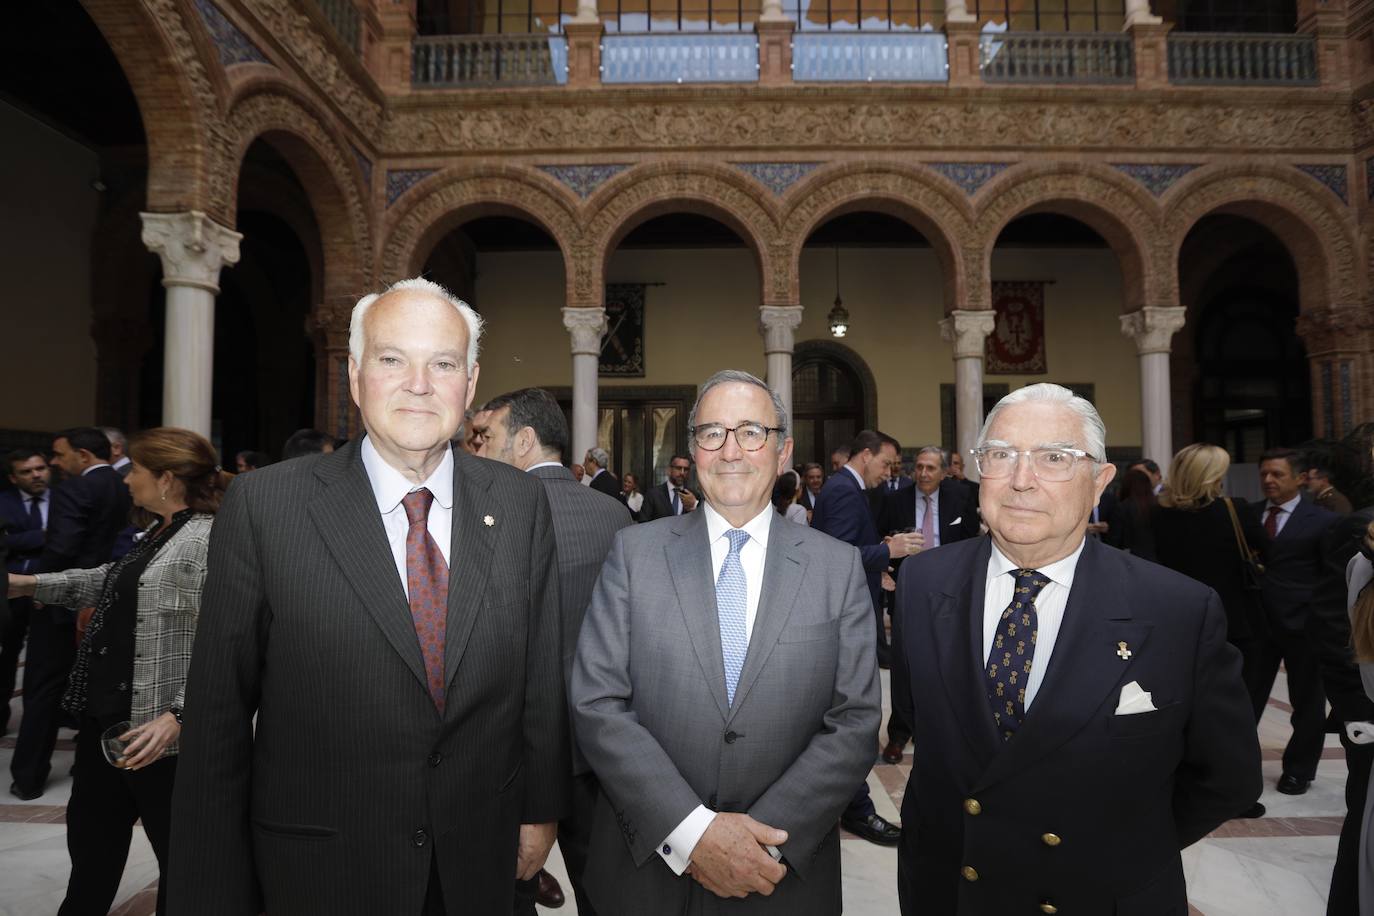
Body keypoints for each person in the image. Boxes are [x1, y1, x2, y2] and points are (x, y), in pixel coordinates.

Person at [168, 278, 569, 916]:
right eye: (392, 359)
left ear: (468, 386)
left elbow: (541, 677)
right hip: (323, 869)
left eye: (443, 363)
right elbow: (219, 714)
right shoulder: (267, 506)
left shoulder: (518, 503)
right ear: (355, 377)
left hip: (477, 862)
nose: (419, 383)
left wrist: (539, 813)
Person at [892, 383, 1261, 914]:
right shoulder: (924, 582)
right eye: (1000, 455)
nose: (1021, 480)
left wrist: (1114, 848)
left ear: (1099, 482)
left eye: (1055, 459)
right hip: (952, 891)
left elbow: (1227, 777)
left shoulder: (1176, 609)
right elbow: (918, 718)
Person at [570, 369, 881, 915]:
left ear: (782, 451)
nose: (730, 450)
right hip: (648, 874)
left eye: (750, 432)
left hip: (780, 874)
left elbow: (854, 720)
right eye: (712, 433)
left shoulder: (836, 566)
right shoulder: (633, 553)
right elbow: (597, 703)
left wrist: (758, 844)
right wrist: (693, 834)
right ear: (693, 451)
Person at [9, 427, 225, 916]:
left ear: (166, 479)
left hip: (159, 736)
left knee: (180, 863)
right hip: (109, 720)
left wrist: (180, 715)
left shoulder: (206, 540)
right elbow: (111, 580)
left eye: (138, 472)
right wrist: (27, 584)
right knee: (91, 850)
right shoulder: (160, 530)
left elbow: (229, 645)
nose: (128, 481)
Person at [477, 386, 634, 916]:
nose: (476, 450)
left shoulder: (486, 517)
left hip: (513, 749)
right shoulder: (612, 514)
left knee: (508, 888)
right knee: (604, 891)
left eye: (485, 438)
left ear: (523, 441)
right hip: (598, 746)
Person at [810, 429, 920, 847]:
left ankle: (853, 806)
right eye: (886, 462)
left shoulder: (846, 489)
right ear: (866, 455)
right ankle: (856, 809)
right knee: (854, 715)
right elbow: (832, 555)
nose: (888, 472)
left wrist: (880, 567)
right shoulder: (842, 490)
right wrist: (888, 552)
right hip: (843, 617)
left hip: (855, 605)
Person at [12, 426, 132, 800]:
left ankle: (29, 776)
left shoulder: (75, 489)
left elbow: (62, 546)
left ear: (83, 456)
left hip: (66, 601)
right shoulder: (122, 484)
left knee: (43, 689)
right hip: (107, 599)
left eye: (59, 455)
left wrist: (39, 587)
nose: (53, 462)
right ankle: (90, 766)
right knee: (95, 687)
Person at [877, 445, 980, 765]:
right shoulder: (895, 499)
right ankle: (898, 732)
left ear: (945, 471)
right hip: (907, 590)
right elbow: (881, 538)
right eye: (919, 467)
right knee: (904, 662)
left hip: (951, 593)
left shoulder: (961, 498)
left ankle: (936, 729)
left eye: (930, 468)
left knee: (948, 662)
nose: (923, 473)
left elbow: (972, 544)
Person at [1246, 447, 1337, 797]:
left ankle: (1299, 771)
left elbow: (1331, 576)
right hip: (1257, 626)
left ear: (1300, 478)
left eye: (1277, 474)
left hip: (1304, 627)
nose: (1268, 480)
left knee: (1308, 703)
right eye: (1264, 474)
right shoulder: (1248, 516)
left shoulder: (1323, 520)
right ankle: (1241, 769)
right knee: (1245, 702)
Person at [0, 448, 51, 735]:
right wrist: (44, 536)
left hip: (51, 590)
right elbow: (5, 544)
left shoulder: (62, 499)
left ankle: (47, 720)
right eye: (27, 471)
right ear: (12, 477)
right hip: (10, 591)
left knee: (48, 660)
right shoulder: (4, 502)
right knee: (7, 657)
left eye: (40, 468)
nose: (36, 475)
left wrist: (19, 540)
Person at [1104, 467, 1157, 560]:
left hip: (1130, 559)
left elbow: (1114, 540)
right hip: (1156, 560)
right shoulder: (1158, 506)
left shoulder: (1122, 507)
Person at [640, 454, 699, 521]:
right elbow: (643, 522)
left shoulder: (694, 496)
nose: (682, 473)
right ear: (669, 470)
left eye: (686, 469)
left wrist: (694, 505)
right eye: (678, 468)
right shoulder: (653, 494)